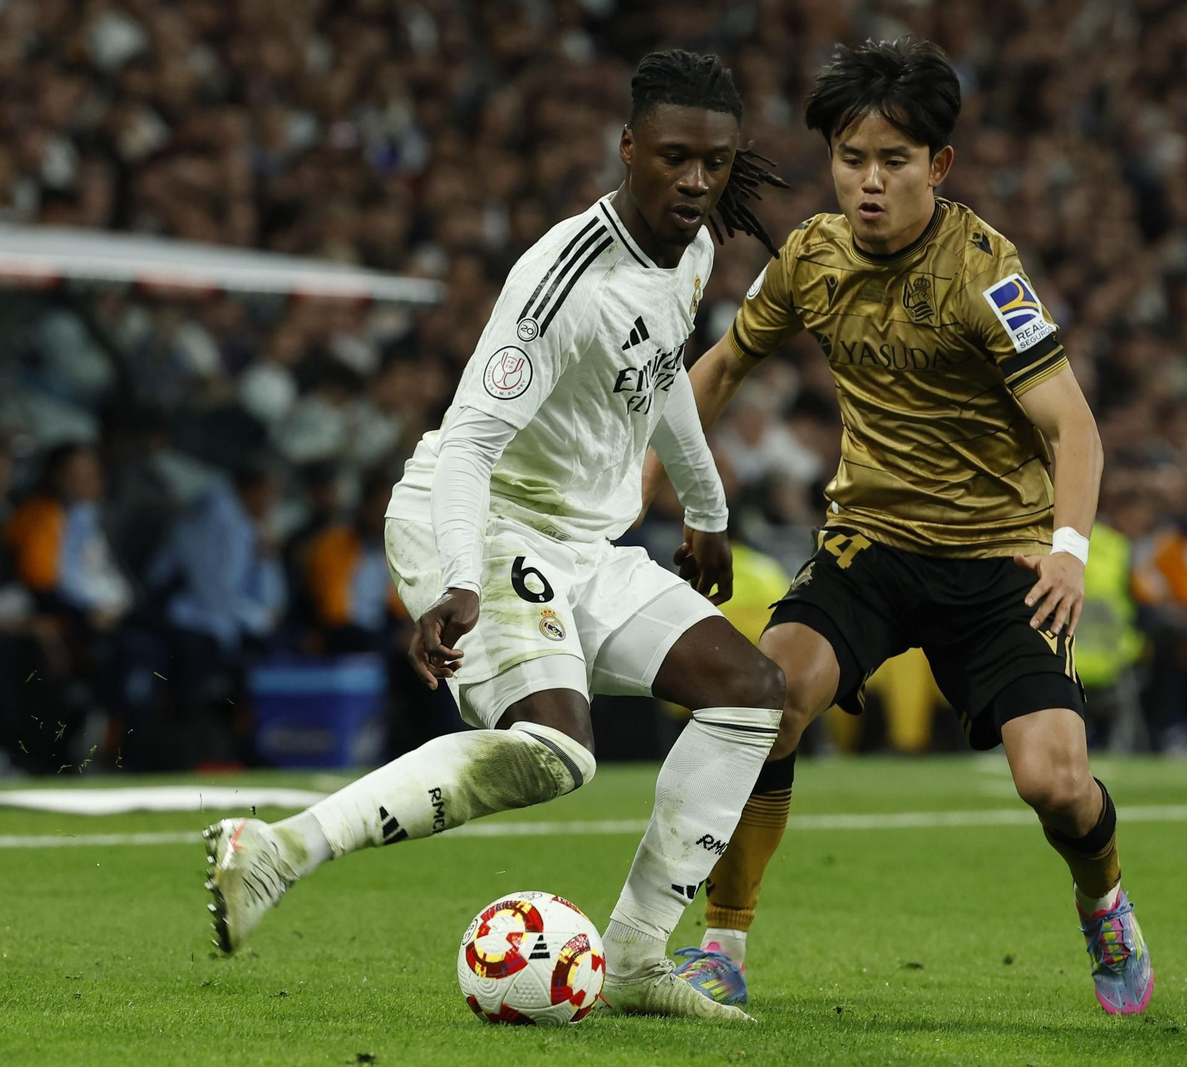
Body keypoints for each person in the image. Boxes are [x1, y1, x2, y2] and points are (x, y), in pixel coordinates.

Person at [202, 50, 790, 1023]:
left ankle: (641, 954)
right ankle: (274, 849)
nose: (696, 181)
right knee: (555, 750)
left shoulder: (692, 249)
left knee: (748, 692)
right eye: (676, 157)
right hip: (481, 514)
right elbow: (472, 442)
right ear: (629, 147)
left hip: (585, 543)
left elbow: (664, 374)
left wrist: (708, 508)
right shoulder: (559, 282)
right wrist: (455, 578)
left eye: (716, 163)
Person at [643, 40, 1151, 1014]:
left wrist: (1069, 549)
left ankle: (1104, 897)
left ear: (938, 165)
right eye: (849, 158)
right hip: (869, 547)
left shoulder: (984, 273)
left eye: (892, 161)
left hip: (1001, 560)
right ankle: (723, 942)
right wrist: (643, 471)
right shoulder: (811, 257)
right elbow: (720, 368)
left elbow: (1073, 428)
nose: (867, 182)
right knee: (766, 700)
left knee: (1053, 782)